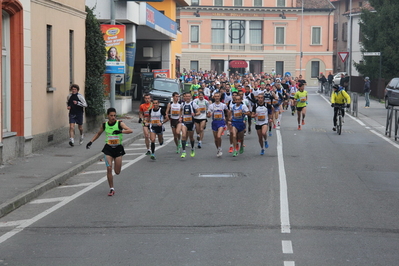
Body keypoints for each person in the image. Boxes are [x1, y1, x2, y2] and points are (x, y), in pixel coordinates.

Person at [86, 107, 133, 196]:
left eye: (114, 115)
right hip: (108, 149)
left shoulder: (120, 123)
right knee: (109, 168)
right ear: (108, 116)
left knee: (117, 172)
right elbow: (98, 133)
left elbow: (130, 130)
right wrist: (90, 142)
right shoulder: (104, 125)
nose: (113, 117)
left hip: (118, 149)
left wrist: (120, 131)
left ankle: (114, 178)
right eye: (111, 115)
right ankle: (112, 188)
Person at [207, 92, 229, 157]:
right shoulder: (211, 106)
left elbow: (227, 112)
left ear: (220, 97)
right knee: (215, 138)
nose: (217, 97)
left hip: (221, 122)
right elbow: (208, 115)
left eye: (218, 96)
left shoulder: (223, 105)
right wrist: (209, 114)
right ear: (214, 97)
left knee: (218, 136)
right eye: (215, 96)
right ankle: (219, 148)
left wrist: (227, 119)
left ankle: (219, 148)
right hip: (214, 122)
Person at [180, 92, 200, 158]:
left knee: (191, 137)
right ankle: (183, 151)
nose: (187, 98)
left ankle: (192, 148)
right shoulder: (182, 104)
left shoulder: (193, 104)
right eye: (186, 96)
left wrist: (195, 114)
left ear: (190, 97)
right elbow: (180, 111)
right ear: (184, 97)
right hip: (184, 122)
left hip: (191, 123)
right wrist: (180, 117)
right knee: (184, 135)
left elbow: (198, 112)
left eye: (189, 96)